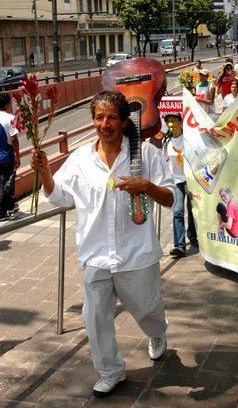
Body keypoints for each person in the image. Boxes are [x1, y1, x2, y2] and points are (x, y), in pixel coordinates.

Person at [30, 90, 176, 397]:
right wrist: (45, 172)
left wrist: (146, 185)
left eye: (112, 117)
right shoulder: (81, 158)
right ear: (93, 121)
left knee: (148, 311)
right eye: (99, 117)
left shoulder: (145, 154)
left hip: (136, 255)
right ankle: (110, 370)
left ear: (124, 121)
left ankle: (157, 333)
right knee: (94, 318)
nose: (105, 123)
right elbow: (60, 197)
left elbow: (171, 197)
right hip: (95, 255)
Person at [163, 112, 198, 257]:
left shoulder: (189, 139)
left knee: (192, 210)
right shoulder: (166, 142)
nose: (171, 123)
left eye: (174, 120)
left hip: (189, 179)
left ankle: (193, 236)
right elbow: (165, 160)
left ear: (180, 122)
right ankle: (179, 245)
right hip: (175, 181)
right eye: (168, 121)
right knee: (177, 212)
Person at [0, 93, 20, 221]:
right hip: (6, 157)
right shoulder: (11, 118)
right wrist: (17, 155)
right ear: (7, 104)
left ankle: (10, 206)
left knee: (4, 182)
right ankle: (1, 212)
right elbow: (14, 139)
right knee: (4, 183)